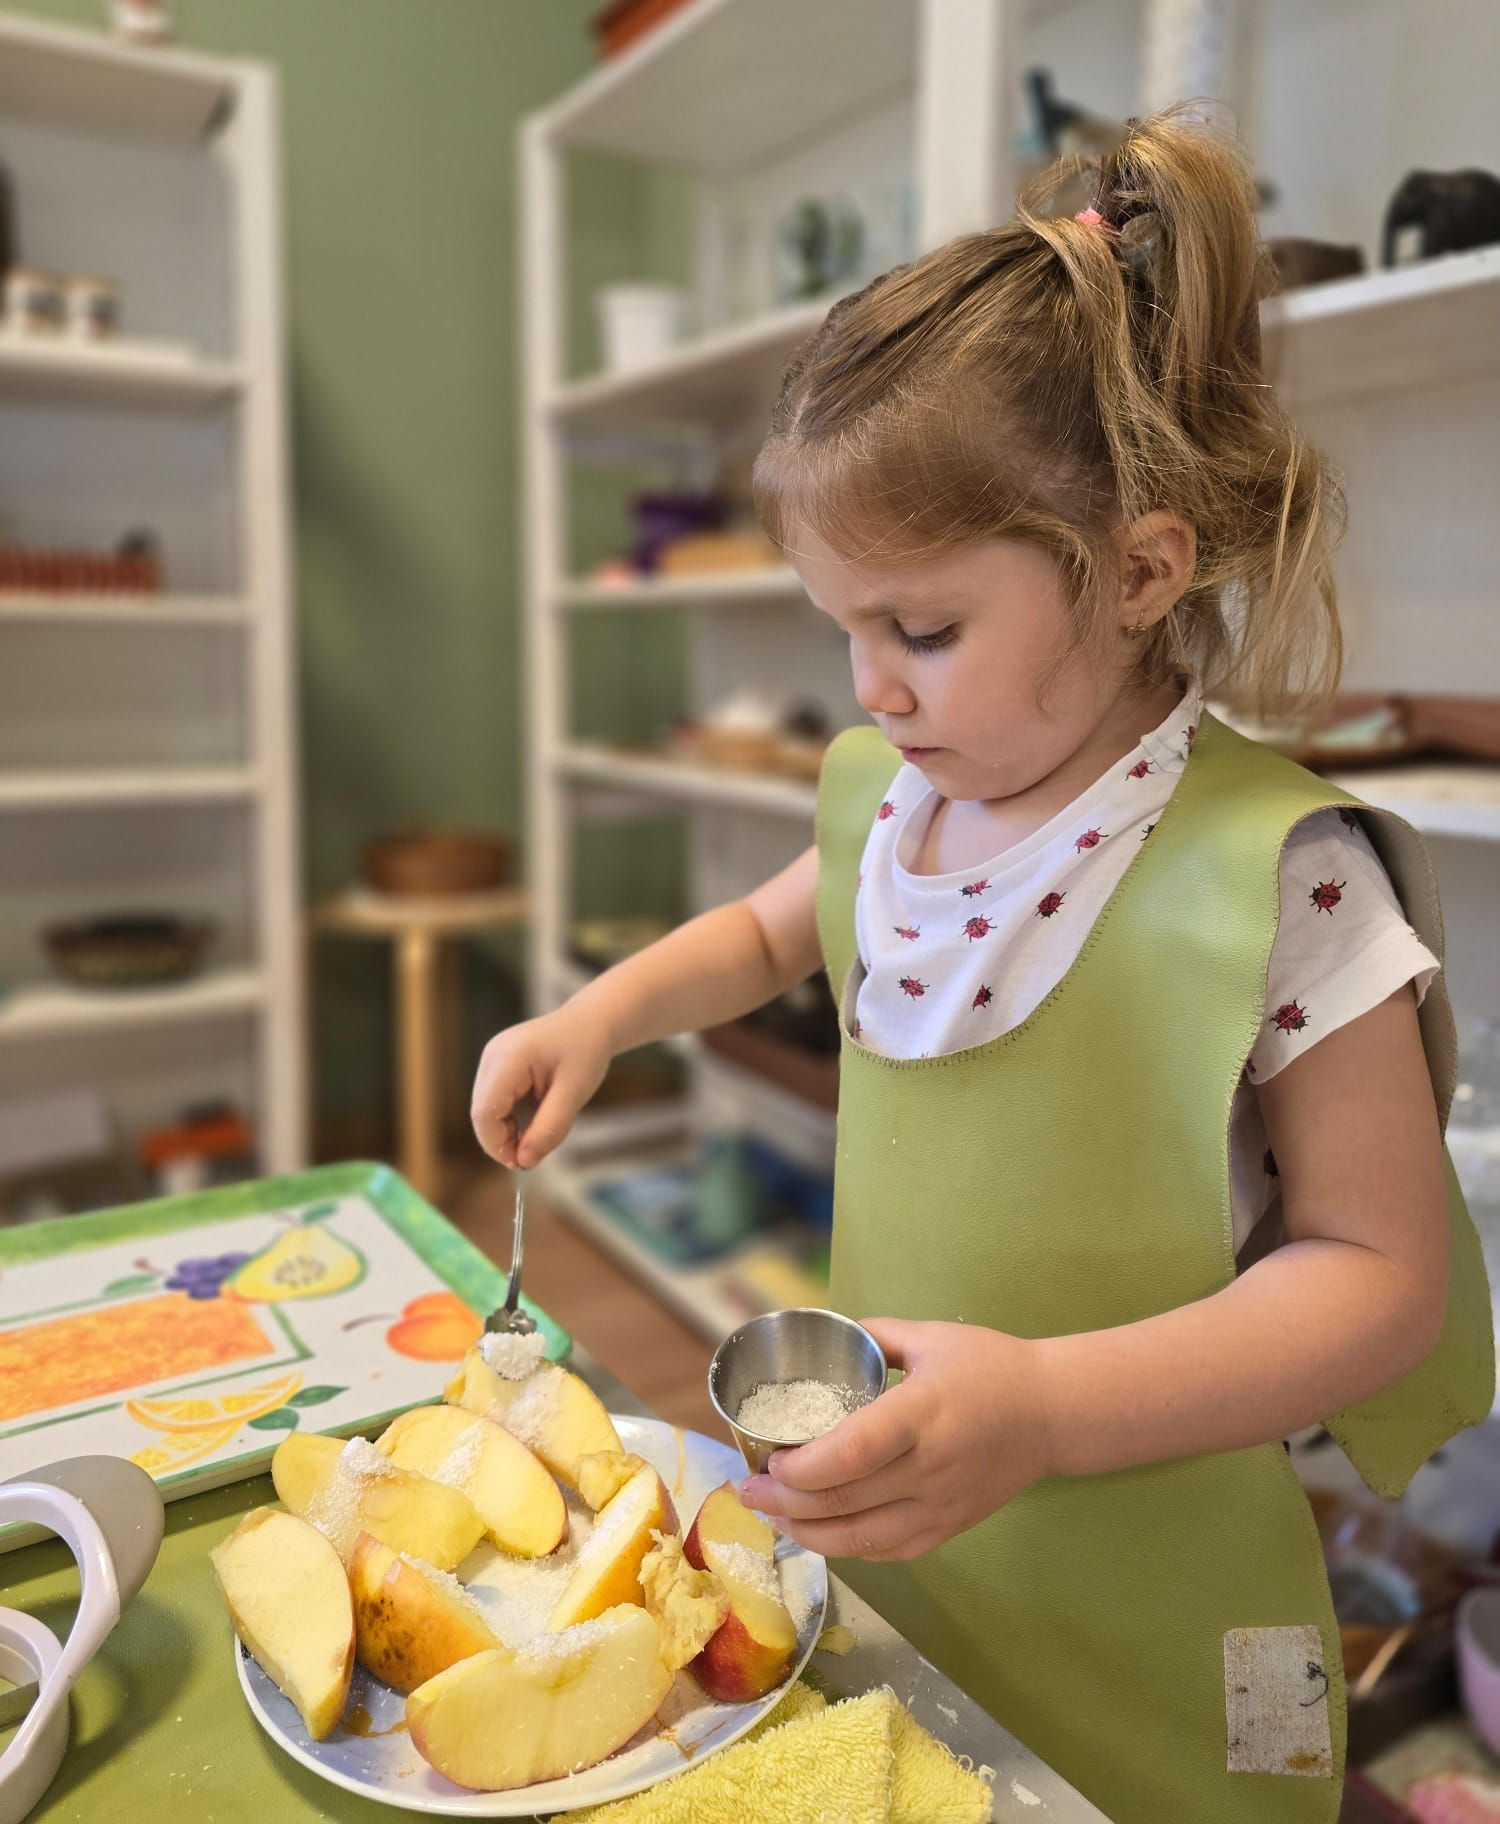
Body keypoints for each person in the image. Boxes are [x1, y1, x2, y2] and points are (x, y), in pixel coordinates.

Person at [472, 108, 1492, 1823]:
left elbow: (1385, 1277)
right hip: (916, 1552)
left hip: (1162, 1606)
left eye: (921, 632)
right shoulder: (895, 791)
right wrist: (601, 1015)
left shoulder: (1285, 882)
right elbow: (769, 930)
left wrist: (1042, 1405)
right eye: (844, 630)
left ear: (1136, 571)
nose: (869, 688)